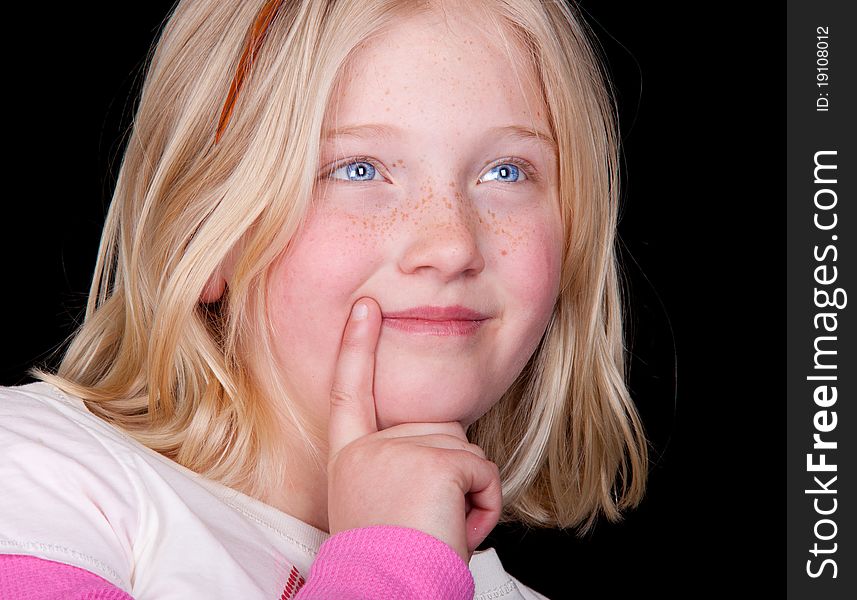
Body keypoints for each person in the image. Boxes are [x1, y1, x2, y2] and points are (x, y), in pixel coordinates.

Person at [0, 0, 648, 598]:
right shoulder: (38, 480)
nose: (451, 246)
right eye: (357, 169)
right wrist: (395, 560)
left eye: (505, 171)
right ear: (203, 233)